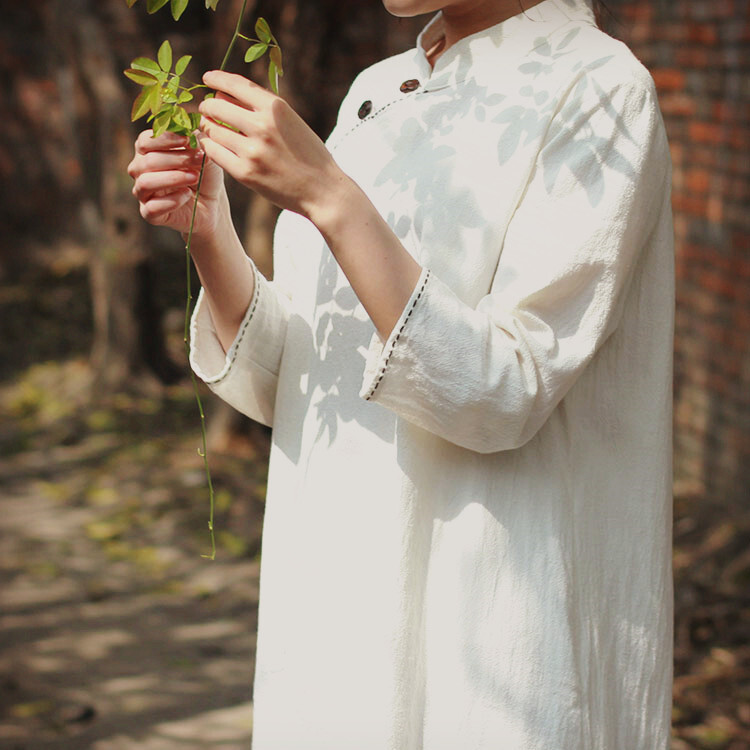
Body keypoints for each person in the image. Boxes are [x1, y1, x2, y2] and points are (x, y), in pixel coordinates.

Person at [128, 0, 674, 746]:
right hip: (334, 612)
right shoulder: (380, 88)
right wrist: (208, 229)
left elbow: (503, 393)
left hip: (486, 634)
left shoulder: (599, 87)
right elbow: (300, 384)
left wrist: (328, 194)